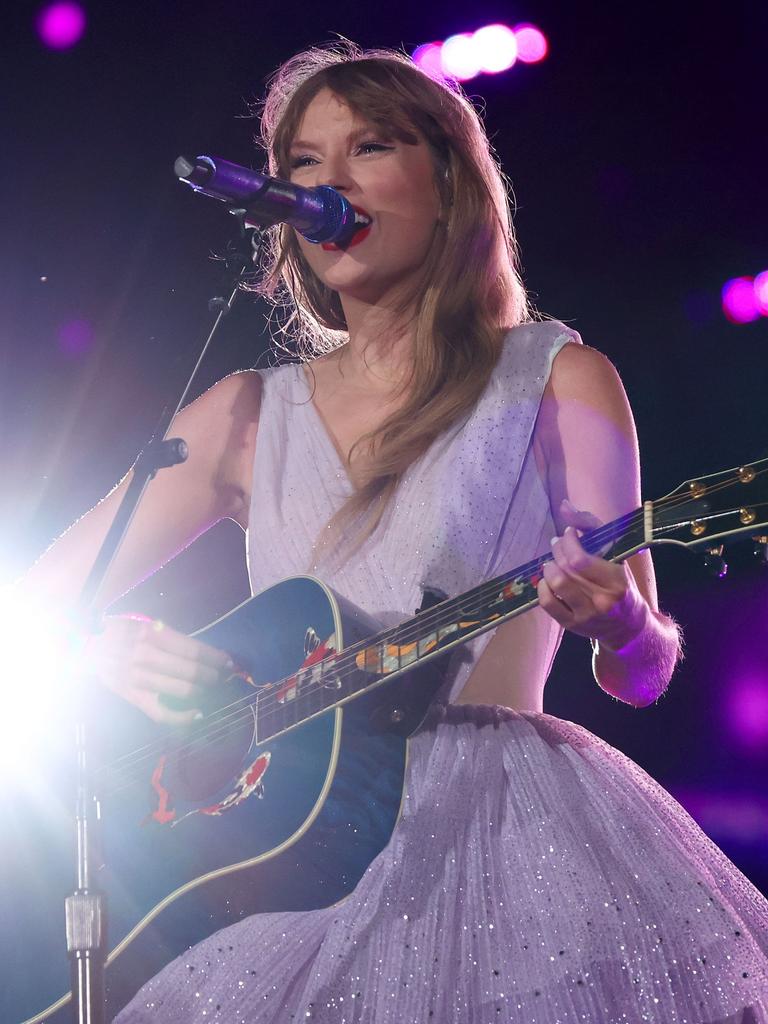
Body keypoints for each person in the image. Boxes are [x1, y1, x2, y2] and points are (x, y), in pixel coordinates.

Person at [22, 41, 768, 1024]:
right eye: (301, 166)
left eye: (369, 148)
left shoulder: (555, 375)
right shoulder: (245, 410)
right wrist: (103, 652)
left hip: (504, 826)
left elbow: (643, 672)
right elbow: (35, 603)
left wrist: (621, 623)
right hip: (283, 859)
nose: (326, 185)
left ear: (449, 182)